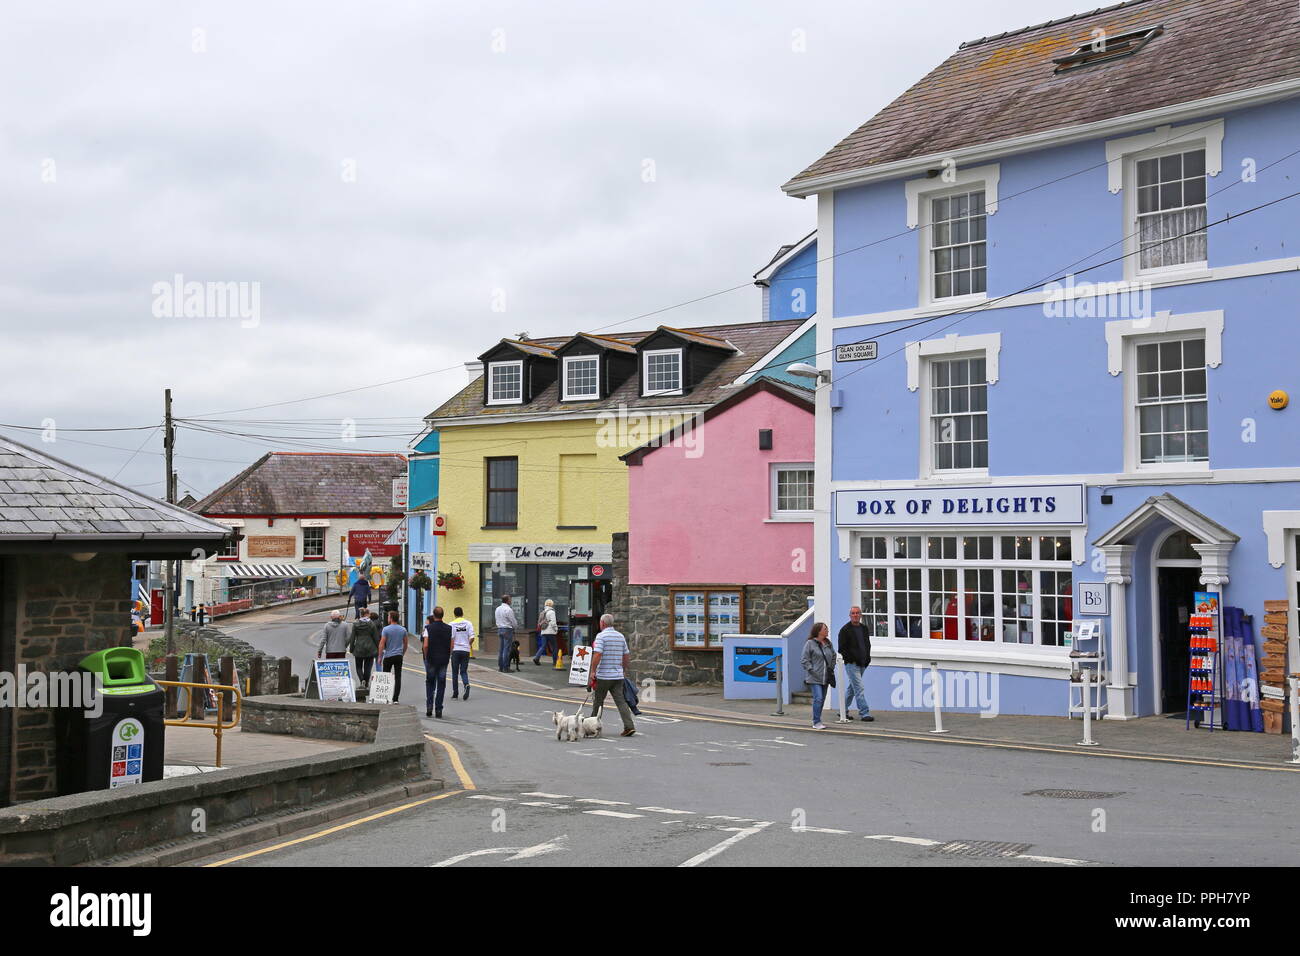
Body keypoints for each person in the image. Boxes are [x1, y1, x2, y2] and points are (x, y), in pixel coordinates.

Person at [588, 613, 636, 737]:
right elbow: (626, 656)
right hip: (618, 676)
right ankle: (629, 727)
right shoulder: (620, 636)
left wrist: (593, 671)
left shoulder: (601, 636)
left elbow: (597, 654)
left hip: (603, 676)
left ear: (602, 623)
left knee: (598, 701)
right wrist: (623, 669)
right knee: (621, 702)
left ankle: (592, 726)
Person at [837, 606, 874, 721]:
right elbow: (841, 649)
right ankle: (864, 712)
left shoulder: (864, 628)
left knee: (852, 688)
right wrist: (850, 658)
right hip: (852, 664)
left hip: (863, 663)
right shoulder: (845, 630)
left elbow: (867, 644)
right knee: (859, 688)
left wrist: (867, 658)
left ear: (861, 615)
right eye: (853, 613)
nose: (855, 615)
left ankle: (843, 710)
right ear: (850, 615)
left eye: (857, 613)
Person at [801, 622, 837, 730]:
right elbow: (804, 659)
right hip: (814, 677)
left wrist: (831, 667)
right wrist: (811, 670)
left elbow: (834, 655)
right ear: (819, 631)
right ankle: (816, 721)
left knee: (822, 699)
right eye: (825, 629)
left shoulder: (828, 643)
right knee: (818, 698)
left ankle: (818, 719)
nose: (827, 631)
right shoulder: (810, 643)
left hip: (825, 677)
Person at [423, 608, 453, 718]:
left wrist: (426, 656)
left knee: (430, 683)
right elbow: (451, 644)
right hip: (443, 659)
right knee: (441, 683)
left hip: (431, 659)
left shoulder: (428, 628)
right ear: (442, 615)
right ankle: (439, 709)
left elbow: (425, 645)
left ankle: (429, 707)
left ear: (434, 616)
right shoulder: (449, 628)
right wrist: (448, 655)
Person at [378, 611, 408, 703]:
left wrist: (380, 656)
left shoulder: (386, 629)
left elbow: (382, 644)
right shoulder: (403, 629)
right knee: (398, 677)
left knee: (386, 677)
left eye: (388, 617)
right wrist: (402, 653)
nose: (387, 619)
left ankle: (386, 697)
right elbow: (406, 643)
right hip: (398, 656)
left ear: (391, 618)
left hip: (388, 656)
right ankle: (395, 699)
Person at [347, 608, 380, 687]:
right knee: (368, 667)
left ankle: (362, 680)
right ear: (367, 614)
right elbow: (376, 637)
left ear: (360, 614)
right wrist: (378, 649)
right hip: (370, 648)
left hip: (358, 648)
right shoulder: (371, 624)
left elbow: (352, 638)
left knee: (358, 667)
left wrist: (351, 649)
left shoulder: (355, 624)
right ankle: (366, 682)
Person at [448, 606, 475, 700]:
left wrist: (450, 651)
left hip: (455, 650)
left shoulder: (451, 624)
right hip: (465, 650)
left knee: (455, 672)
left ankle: (455, 693)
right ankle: (466, 684)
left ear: (454, 614)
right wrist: (468, 645)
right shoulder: (468, 623)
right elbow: (472, 637)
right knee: (463, 671)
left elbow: (450, 639)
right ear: (462, 613)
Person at [495, 594, 519, 673]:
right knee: (506, 649)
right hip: (507, 630)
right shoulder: (508, 610)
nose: (511, 600)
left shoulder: (497, 609)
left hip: (500, 629)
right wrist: (515, 626)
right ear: (507, 600)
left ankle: (500, 667)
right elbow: (513, 621)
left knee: (501, 649)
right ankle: (506, 667)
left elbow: (497, 619)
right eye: (510, 599)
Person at [532, 598, 559, 665]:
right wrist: (556, 629)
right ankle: (555, 662)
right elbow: (553, 623)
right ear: (551, 604)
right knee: (554, 647)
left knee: (543, 646)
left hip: (543, 631)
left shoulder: (543, 612)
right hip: (551, 632)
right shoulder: (552, 612)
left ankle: (536, 658)